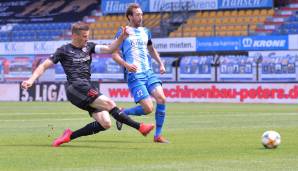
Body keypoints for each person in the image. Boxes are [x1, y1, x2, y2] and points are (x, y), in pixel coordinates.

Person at [21, 22, 154, 147]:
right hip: (75, 88)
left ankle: (69, 136)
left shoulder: (89, 46)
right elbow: (44, 65)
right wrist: (31, 80)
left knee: (105, 123)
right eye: (84, 36)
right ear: (74, 35)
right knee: (110, 104)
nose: (86, 39)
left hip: (87, 87)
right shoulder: (63, 50)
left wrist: (121, 38)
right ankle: (140, 127)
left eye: (88, 36)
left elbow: (109, 49)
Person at [112, 3, 168, 143]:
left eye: (141, 14)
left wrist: (160, 63)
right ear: (130, 17)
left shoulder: (146, 31)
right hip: (135, 75)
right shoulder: (123, 32)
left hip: (148, 72)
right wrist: (126, 65)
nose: (140, 17)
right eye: (137, 14)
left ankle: (158, 135)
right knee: (148, 108)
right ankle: (123, 113)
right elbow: (114, 54)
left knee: (161, 99)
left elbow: (151, 49)